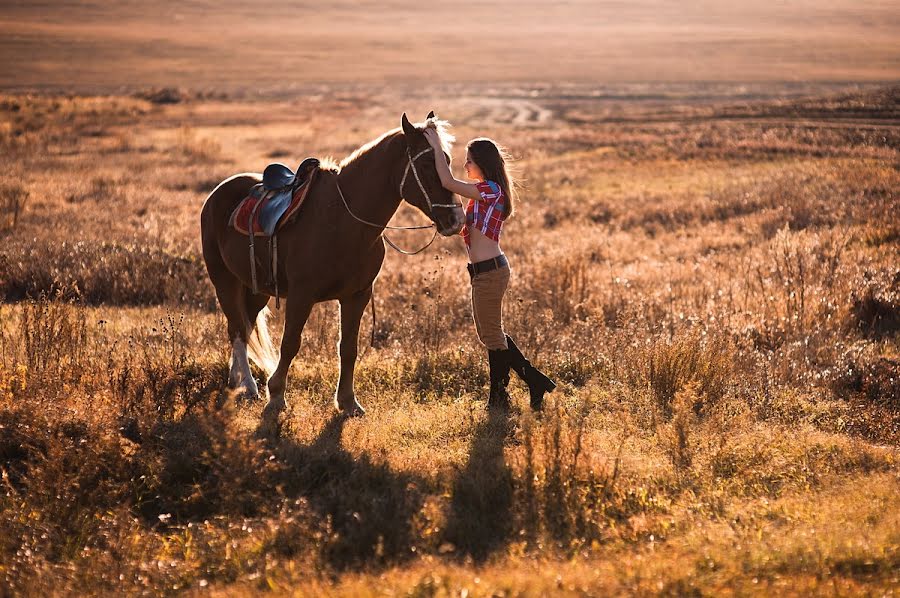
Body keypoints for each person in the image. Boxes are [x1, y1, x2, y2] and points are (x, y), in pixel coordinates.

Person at [423, 126, 556, 410]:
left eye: (469, 160)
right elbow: (465, 225)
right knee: (490, 335)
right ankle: (513, 391)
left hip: (491, 273)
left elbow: (446, 181)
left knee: (493, 335)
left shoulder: (490, 190)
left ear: (482, 162)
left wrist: (436, 146)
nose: (466, 164)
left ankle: (516, 389)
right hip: (483, 272)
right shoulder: (480, 195)